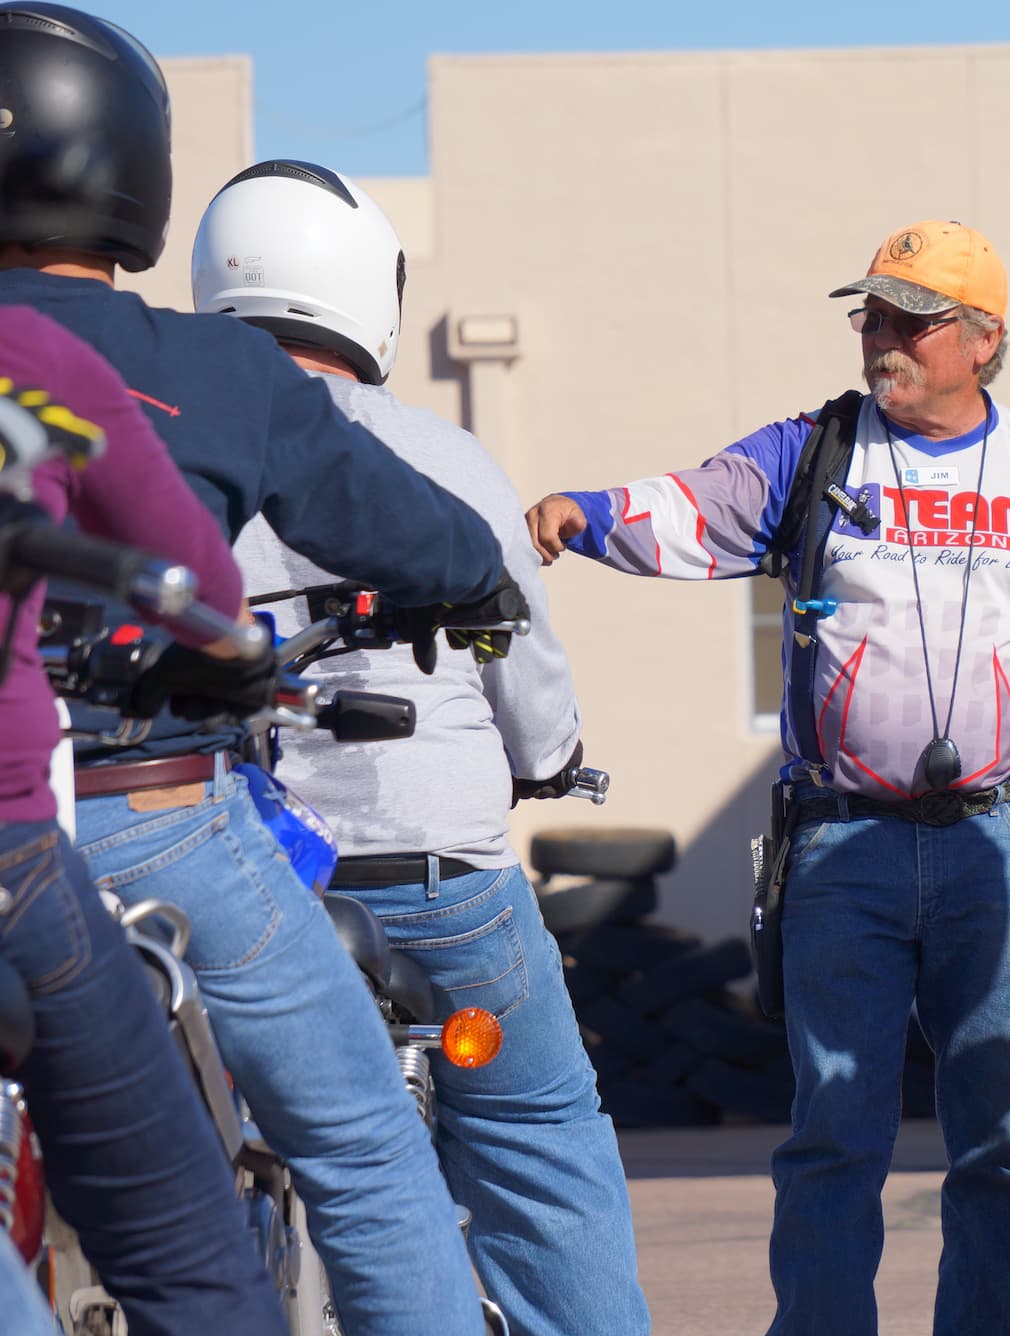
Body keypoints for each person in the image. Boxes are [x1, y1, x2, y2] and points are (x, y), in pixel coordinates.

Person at [525, 218, 1010, 1333]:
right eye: (871, 315)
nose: (879, 336)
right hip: (841, 844)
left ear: (983, 339)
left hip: (1006, 842)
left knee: (1004, 1141)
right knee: (833, 1133)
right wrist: (591, 514)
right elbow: (695, 505)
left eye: (909, 318)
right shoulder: (815, 451)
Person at [0, 5, 518, 1328]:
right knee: (365, 1151)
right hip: (157, 814)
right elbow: (416, 533)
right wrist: (473, 581)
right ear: (126, 158)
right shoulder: (205, 366)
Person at [193, 159, 649, 1336]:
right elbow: (527, 677)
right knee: (539, 1137)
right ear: (367, 290)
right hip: (442, 880)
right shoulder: (446, 460)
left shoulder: (176, 459)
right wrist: (544, 758)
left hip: (251, 894)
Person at [0, 304, 283, 1335]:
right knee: (200, 1247)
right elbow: (204, 591)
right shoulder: (27, 359)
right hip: (18, 852)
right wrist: (237, 656)